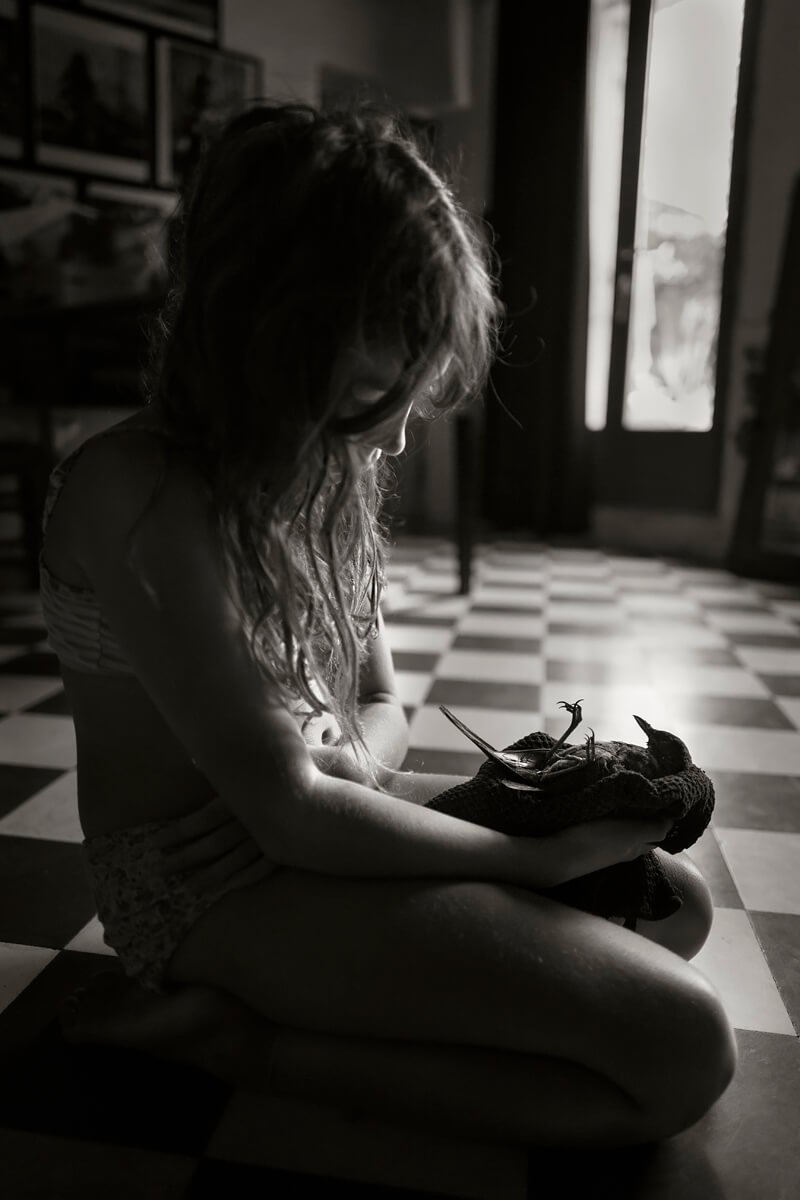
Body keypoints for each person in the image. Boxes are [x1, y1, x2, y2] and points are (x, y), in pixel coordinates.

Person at [44, 100, 736, 1148]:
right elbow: (284, 815)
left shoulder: (326, 471)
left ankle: (372, 991)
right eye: (372, 393)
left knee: (673, 904)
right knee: (683, 1048)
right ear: (269, 343)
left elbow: (376, 703)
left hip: (311, 821)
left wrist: (345, 766)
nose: (398, 436)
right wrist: (525, 865)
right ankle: (245, 1045)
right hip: (203, 887)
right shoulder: (134, 488)